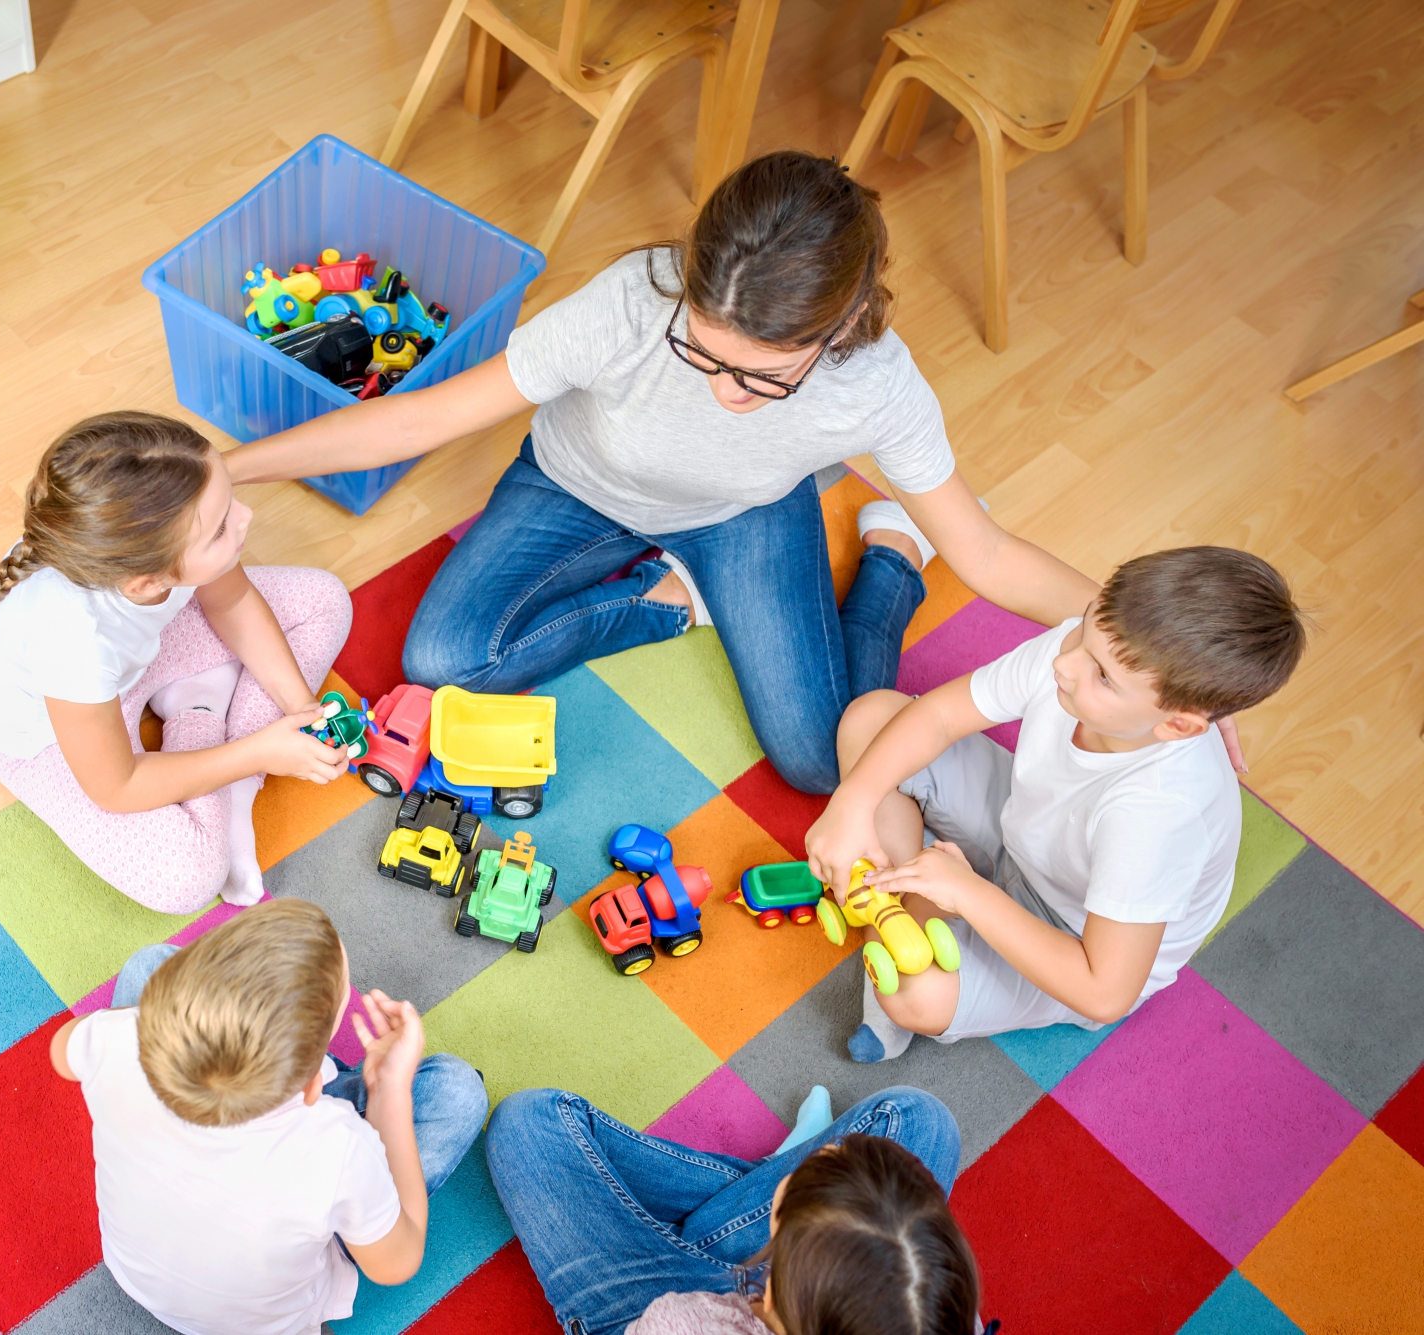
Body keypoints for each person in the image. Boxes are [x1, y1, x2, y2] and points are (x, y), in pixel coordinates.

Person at [221, 150, 1102, 794]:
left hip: (741, 515)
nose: (725, 392)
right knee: (444, 659)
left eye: (762, 376)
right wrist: (226, 468)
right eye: (703, 354)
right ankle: (665, 599)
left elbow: (985, 554)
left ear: (843, 323)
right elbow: (419, 415)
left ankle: (894, 561)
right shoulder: (630, 302)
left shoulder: (875, 383)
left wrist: (1139, 646)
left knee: (827, 760)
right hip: (574, 485)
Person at [804, 547, 1307, 1063]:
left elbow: (1104, 992)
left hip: (1070, 933)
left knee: (918, 996)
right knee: (872, 719)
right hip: (1022, 832)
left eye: (1103, 677)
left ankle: (901, 900)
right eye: (1087, 630)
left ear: (1176, 725)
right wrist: (854, 800)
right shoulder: (1079, 653)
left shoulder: (1157, 815)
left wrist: (969, 894)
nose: (1065, 665)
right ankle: (908, 901)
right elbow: (939, 717)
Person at [0, 411, 355, 913]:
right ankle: (200, 714)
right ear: (148, 582)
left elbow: (230, 603)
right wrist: (257, 754)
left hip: (125, 669)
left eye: (229, 499)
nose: (246, 517)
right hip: (52, 739)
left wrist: (302, 711)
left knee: (325, 600)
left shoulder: (142, 547)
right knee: (185, 880)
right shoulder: (71, 639)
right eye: (220, 530)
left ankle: (228, 778)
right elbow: (117, 787)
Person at [49, 899, 488, 1335]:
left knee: (149, 963)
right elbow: (397, 1263)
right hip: (265, 1320)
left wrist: (151, 1023)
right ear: (315, 1086)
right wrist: (389, 1089)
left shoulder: (118, 1039)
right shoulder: (337, 1146)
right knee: (458, 1090)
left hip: (139, 1275)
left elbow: (61, 1051)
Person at [486, 1084, 978, 1335]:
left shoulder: (676, 1321)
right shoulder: (929, 1315)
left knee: (529, 1122)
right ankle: (760, 1188)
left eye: (801, 1173)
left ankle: (744, 1195)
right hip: (798, 1299)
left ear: (777, 1228)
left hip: (657, 1312)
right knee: (918, 1117)